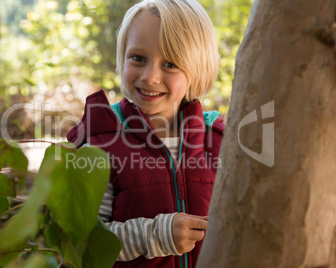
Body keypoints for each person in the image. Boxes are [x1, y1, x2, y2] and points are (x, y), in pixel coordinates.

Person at [67, 0, 224, 267]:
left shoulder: (218, 140)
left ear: (197, 68)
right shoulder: (101, 142)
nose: (150, 77)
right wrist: (156, 234)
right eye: (138, 58)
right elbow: (84, 246)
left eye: (170, 64)